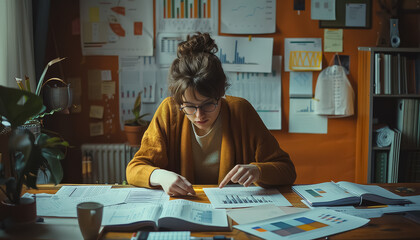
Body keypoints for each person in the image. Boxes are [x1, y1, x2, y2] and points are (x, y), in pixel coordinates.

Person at [126, 32, 296, 196]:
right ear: (179, 102)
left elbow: (287, 170)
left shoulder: (241, 111)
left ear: (221, 94)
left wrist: (259, 171)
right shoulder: (169, 111)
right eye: (190, 107)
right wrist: (160, 176)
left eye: (208, 104)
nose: (199, 116)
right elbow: (134, 169)